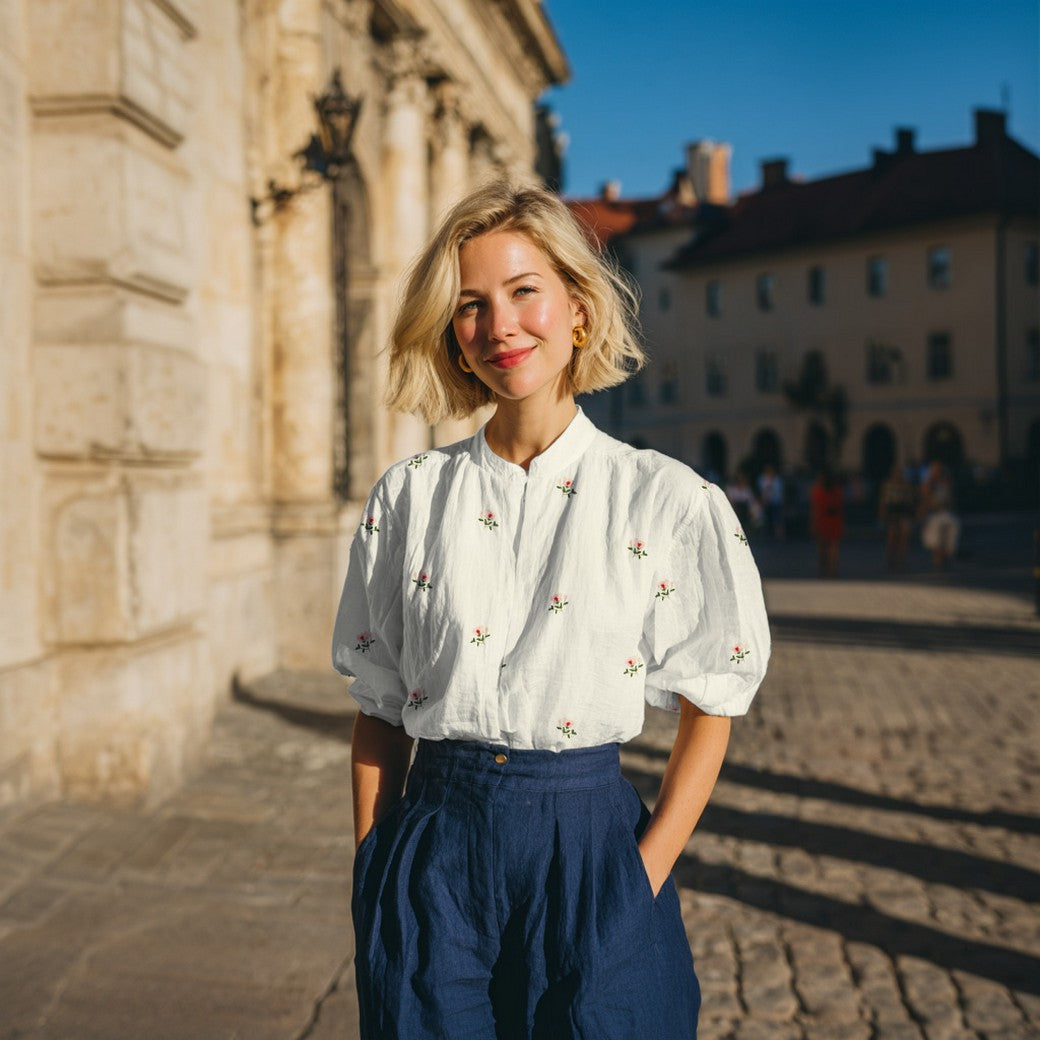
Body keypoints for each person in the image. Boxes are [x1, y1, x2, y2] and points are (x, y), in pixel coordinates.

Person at [332, 181, 770, 1040]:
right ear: (452, 335)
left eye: (523, 291)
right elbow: (378, 711)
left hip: (589, 847)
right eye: (471, 305)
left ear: (577, 307)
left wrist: (638, 880)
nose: (500, 325)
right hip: (433, 847)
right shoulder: (411, 497)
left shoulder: (665, 500)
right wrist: (373, 871)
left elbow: (711, 704)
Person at [919, 460, 960, 569]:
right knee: (935, 539)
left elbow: (951, 497)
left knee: (949, 535)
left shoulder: (946, 482)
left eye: (938, 470)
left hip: (945, 512)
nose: (937, 472)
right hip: (933, 513)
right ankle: (937, 560)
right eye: (934, 470)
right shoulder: (928, 483)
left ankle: (946, 558)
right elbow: (925, 498)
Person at [878, 464, 917, 571]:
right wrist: (882, 514)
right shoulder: (887, 485)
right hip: (892, 513)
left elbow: (911, 501)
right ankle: (890, 560)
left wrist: (912, 515)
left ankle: (901, 560)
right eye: (896, 473)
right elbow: (883, 501)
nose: (898, 475)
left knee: (904, 538)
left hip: (904, 513)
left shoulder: (907, 486)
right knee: (892, 537)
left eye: (899, 473)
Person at [810, 468, 844, 578]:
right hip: (834, 520)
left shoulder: (817, 490)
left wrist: (812, 523)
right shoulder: (837, 490)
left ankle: (824, 568)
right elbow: (840, 505)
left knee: (823, 546)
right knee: (833, 546)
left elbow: (814, 508)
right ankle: (832, 569)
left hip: (822, 520)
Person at [756, 463, 785, 539]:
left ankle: (778, 533)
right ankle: (766, 533)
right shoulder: (762, 479)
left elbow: (779, 491)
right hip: (765, 501)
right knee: (765, 517)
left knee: (777, 517)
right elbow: (761, 490)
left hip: (775, 501)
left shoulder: (777, 479)